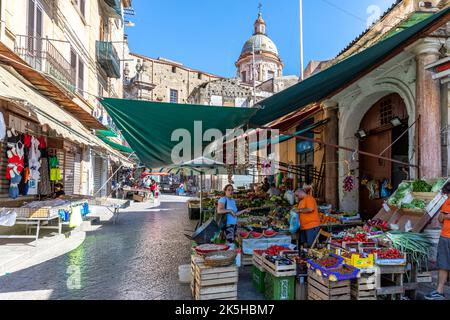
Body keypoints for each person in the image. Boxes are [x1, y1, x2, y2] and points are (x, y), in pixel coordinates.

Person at [425, 183, 450, 300]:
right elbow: (440, 218)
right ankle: (439, 291)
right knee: (443, 264)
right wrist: (445, 216)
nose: (448, 196)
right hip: (445, 236)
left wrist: (447, 216)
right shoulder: (447, 202)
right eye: (447, 194)